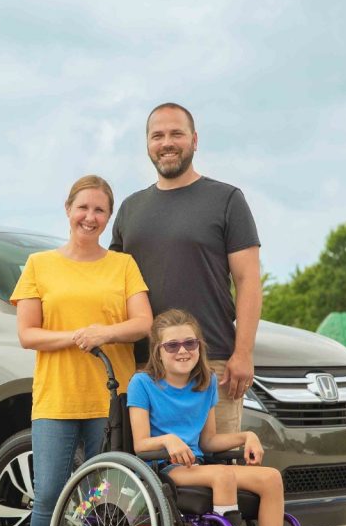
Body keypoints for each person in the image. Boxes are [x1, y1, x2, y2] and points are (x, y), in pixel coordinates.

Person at [10, 175, 153, 526]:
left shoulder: (123, 265)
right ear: (68, 209)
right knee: (50, 496)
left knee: (106, 499)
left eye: (99, 211)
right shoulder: (39, 265)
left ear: (108, 218)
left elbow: (144, 323)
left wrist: (104, 333)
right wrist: (76, 337)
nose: (90, 218)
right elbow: (27, 334)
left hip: (113, 400)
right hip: (56, 398)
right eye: (83, 208)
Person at [128, 309, 317, 526]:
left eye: (190, 344)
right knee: (223, 475)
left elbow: (209, 441)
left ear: (200, 346)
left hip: (198, 466)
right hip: (163, 469)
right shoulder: (143, 384)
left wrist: (245, 437)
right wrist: (167, 439)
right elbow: (140, 444)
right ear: (157, 351)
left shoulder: (206, 384)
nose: (182, 351)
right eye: (172, 345)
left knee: (271, 478)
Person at [110, 102, 262, 435]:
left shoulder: (226, 200)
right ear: (148, 144)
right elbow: (109, 283)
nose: (166, 143)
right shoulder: (129, 208)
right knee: (148, 476)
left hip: (211, 363)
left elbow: (249, 280)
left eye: (176, 134)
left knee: (217, 470)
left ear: (194, 140)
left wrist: (243, 353)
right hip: (143, 368)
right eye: (157, 135)